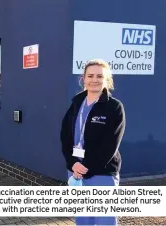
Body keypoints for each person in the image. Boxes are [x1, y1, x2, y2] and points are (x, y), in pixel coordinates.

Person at [60, 59, 126, 225]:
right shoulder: (76, 104)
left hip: (101, 173)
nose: (94, 80)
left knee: (104, 219)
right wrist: (72, 163)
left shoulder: (114, 107)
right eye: (90, 75)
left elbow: (110, 145)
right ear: (83, 78)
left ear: (106, 79)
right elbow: (65, 136)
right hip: (76, 171)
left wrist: (86, 167)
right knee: (83, 219)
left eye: (99, 76)